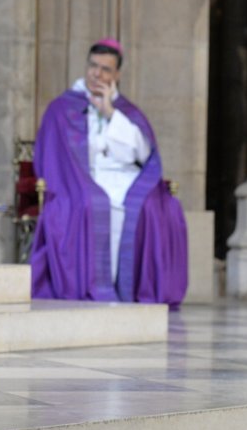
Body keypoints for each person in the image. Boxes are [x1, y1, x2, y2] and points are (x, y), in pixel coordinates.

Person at [29, 39, 188, 308]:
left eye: (105, 69)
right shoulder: (61, 107)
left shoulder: (126, 111)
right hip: (81, 179)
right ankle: (96, 288)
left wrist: (110, 113)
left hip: (126, 180)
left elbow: (141, 154)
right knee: (92, 203)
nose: (97, 74)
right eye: (93, 66)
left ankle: (131, 290)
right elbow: (52, 156)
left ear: (117, 75)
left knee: (152, 207)